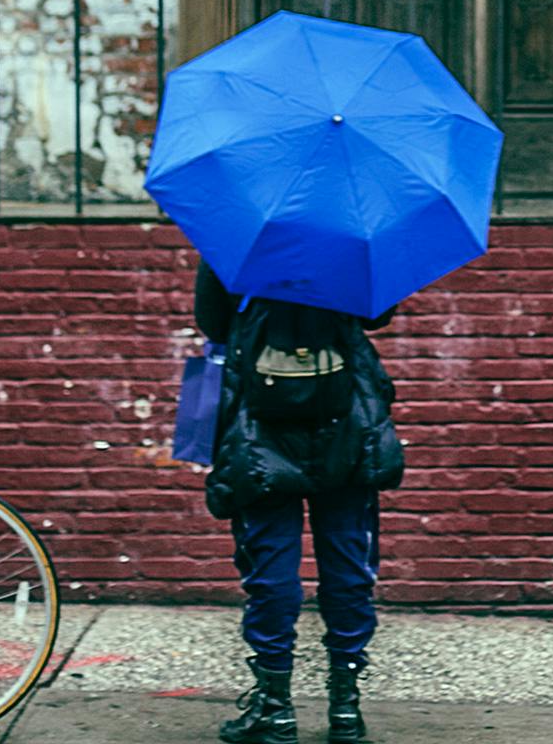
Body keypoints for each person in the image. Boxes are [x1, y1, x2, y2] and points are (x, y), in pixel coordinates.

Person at [195, 259, 403, 744]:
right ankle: (346, 710)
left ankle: (275, 709)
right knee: (349, 566)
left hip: (258, 432)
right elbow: (379, 313)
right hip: (347, 428)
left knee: (271, 571)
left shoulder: (237, 240)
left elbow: (213, 324)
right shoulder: (354, 237)